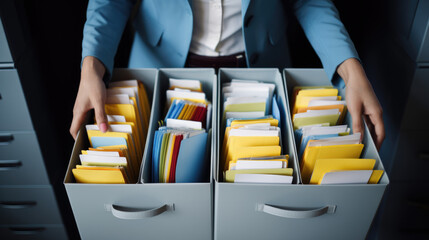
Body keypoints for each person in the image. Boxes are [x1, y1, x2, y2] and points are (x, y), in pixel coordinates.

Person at [70, 0, 385, 150]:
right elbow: (109, 3)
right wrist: (90, 67)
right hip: (160, 69)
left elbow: (310, 2)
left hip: (259, 72)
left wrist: (350, 68)